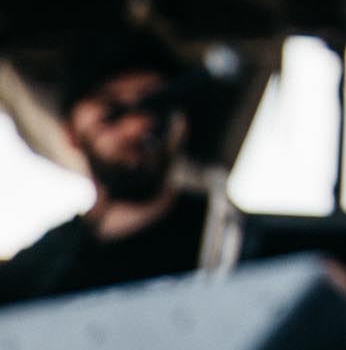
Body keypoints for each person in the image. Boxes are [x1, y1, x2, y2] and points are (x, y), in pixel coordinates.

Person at [0, 28, 210, 306]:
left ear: (181, 122)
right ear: (72, 134)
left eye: (155, 106)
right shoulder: (34, 273)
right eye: (112, 112)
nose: (137, 126)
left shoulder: (232, 243)